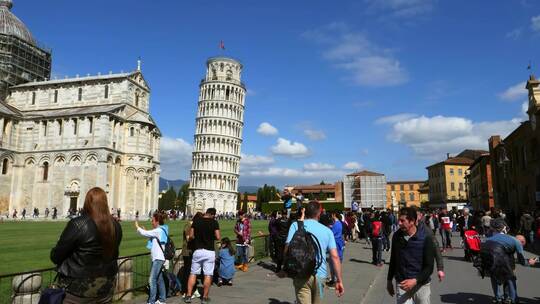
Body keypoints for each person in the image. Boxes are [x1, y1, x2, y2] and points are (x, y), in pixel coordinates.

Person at [50, 187, 122, 303]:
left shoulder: (78, 224)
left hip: (78, 289)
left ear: (87, 202)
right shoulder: (116, 226)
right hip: (106, 286)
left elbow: (56, 256)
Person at [283, 201, 344, 303]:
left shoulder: (295, 226)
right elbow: (334, 256)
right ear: (319, 214)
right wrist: (339, 280)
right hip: (320, 274)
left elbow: (287, 250)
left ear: (305, 212)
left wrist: (286, 268)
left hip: (301, 273)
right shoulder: (327, 231)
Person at [387, 207, 435, 304]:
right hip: (402, 284)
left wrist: (415, 280)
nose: (399, 223)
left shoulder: (426, 237)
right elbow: (393, 259)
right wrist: (389, 280)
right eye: (398, 220)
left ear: (412, 221)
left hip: (421, 285)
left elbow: (429, 267)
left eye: (402, 221)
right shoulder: (397, 236)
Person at [485, 218, 529, 304]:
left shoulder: (487, 241)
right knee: (510, 280)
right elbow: (522, 260)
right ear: (504, 228)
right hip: (508, 265)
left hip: (493, 265)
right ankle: (512, 299)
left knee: (495, 279)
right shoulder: (514, 240)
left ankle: (498, 298)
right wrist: (528, 262)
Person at [185, 208, 221, 304]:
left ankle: (188, 295)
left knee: (193, 273)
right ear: (213, 215)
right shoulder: (214, 222)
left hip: (198, 250)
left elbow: (191, 236)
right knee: (208, 274)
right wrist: (210, 236)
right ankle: (204, 297)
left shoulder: (196, 221)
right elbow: (218, 237)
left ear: (206, 212)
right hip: (209, 251)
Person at [135, 211, 169, 304]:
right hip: (159, 258)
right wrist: (146, 230)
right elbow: (151, 236)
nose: (152, 222)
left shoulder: (158, 230)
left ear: (157, 221)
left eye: (153, 220)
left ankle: (151, 301)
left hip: (158, 259)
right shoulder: (161, 230)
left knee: (152, 280)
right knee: (159, 279)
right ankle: (162, 299)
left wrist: (137, 227)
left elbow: (145, 233)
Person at [180, 212, 201, 298]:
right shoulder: (189, 225)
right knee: (188, 272)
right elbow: (189, 238)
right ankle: (186, 291)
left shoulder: (194, 226)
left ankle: (194, 289)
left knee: (194, 272)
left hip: (193, 251)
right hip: (187, 252)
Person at [327, 211, 345, 287]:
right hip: (338, 243)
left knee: (334, 263)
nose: (331, 216)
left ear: (334, 215)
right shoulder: (338, 223)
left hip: (335, 244)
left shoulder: (337, 224)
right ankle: (334, 279)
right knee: (336, 262)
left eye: (332, 215)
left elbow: (332, 233)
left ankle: (335, 280)